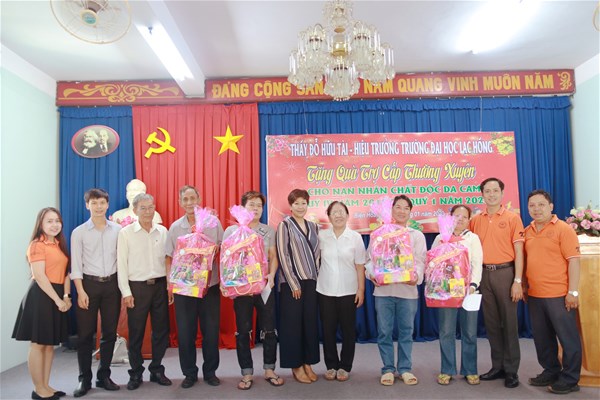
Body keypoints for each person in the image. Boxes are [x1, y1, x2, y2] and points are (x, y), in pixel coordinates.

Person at [223, 191, 284, 390]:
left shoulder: (268, 231)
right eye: (251, 205)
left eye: (259, 205)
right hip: (242, 288)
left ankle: (269, 369)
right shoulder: (232, 231)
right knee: (243, 330)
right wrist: (227, 282)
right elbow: (225, 259)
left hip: (264, 286)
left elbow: (273, 256)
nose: (256, 208)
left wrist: (271, 276)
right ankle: (246, 372)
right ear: (243, 208)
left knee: (269, 329)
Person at [524, 190, 582, 395]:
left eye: (541, 204)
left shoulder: (563, 229)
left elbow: (574, 261)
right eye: (532, 205)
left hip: (559, 294)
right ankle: (551, 371)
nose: (536, 209)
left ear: (551, 206)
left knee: (568, 338)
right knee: (542, 339)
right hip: (535, 294)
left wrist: (573, 292)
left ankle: (571, 379)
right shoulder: (527, 231)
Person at [165, 185, 223, 389]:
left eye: (192, 198)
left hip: (210, 286)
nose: (189, 203)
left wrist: (210, 251)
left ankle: (210, 372)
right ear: (180, 203)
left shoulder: (213, 222)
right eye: (185, 199)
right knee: (185, 332)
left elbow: (223, 249)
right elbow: (169, 257)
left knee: (211, 331)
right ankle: (189, 373)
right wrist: (170, 284)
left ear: (199, 199)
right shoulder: (175, 228)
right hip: (184, 288)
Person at [469, 177, 524, 388]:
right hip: (484, 275)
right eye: (487, 191)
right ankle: (497, 366)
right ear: (482, 194)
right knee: (491, 324)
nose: (491, 194)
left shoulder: (512, 218)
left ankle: (511, 370)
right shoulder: (476, 220)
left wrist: (517, 280)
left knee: (509, 323)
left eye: (495, 191)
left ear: (502, 193)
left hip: (505, 273)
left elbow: (519, 251)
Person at [12, 207, 71, 400]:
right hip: (41, 296)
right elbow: (39, 276)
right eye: (49, 221)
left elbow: (66, 273)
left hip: (57, 296)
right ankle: (38, 389)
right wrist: (57, 299)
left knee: (48, 345)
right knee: (38, 344)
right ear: (41, 224)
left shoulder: (59, 244)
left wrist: (66, 297)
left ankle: (46, 385)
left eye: (57, 221)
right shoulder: (37, 245)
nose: (55, 225)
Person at [368, 195, 426, 386]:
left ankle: (405, 368)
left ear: (410, 212)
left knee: (406, 332)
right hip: (383, 292)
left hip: (407, 292)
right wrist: (372, 275)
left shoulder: (416, 235)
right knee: (384, 332)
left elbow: (421, 261)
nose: (402, 211)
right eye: (398, 207)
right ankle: (387, 369)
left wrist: (416, 276)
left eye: (406, 208)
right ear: (391, 210)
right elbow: (370, 260)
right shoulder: (379, 234)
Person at [70, 189, 122, 397]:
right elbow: (76, 266)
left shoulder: (118, 230)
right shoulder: (79, 232)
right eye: (94, 203)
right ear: (87, 205)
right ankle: (84, 379)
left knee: (109, 333)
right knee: (85, 335)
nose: (98, 207)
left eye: (102, 203)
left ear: (107, 205)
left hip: (112, 286)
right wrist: (80, 291)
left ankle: (104, 376)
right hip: (88, 286)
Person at [117, 193, 171, 390]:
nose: (148, 212)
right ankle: (136, 372)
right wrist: (126, 292)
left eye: (151, 207)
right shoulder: (126, 233)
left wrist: (170, 286)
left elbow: (168, 260)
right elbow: (121, 264)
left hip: (160, 286)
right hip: (137, 288)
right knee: (136, 332)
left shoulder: (163, 231)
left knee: (161, 331)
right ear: (135, 210)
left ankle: (156, 369)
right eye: (143, 208)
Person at [431, 205, 483, 386]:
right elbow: (433, 263)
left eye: (464, 217)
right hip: (446, 292)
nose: (460, 219)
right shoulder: (440, 238)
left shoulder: (473, 238)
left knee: (469, 332)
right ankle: (447, 369)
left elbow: (477, 263)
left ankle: (470, 369)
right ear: (450, 218)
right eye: (456, 216)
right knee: (446, 331)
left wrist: (474, 285)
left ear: (469, 220)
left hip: (469, 291)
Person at [317, 201, 366, 382]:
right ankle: (331, 365)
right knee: (328, 330)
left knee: (348, 331)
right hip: (325, 290)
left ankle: (345, 366)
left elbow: (360, 266)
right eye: (334, 212)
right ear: (329, 217)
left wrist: (361, 290)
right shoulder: (321, 236)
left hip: (349, 290)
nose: (338, 215)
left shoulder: (355, 237)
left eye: (341, 212)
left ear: (347, 215)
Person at [276, 188, 320, 384]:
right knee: (292, 325)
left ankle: (308, 362)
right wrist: (293, 283)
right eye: (296, 203)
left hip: (311, 281)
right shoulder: (284, 225)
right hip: (291, 283)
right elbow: (283, 255)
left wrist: (316, 278)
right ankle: (296, 365)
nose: (300, 207)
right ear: (290, 205)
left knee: (309, 323)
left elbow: (317, 255)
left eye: (303, 203)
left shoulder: (314, 226)